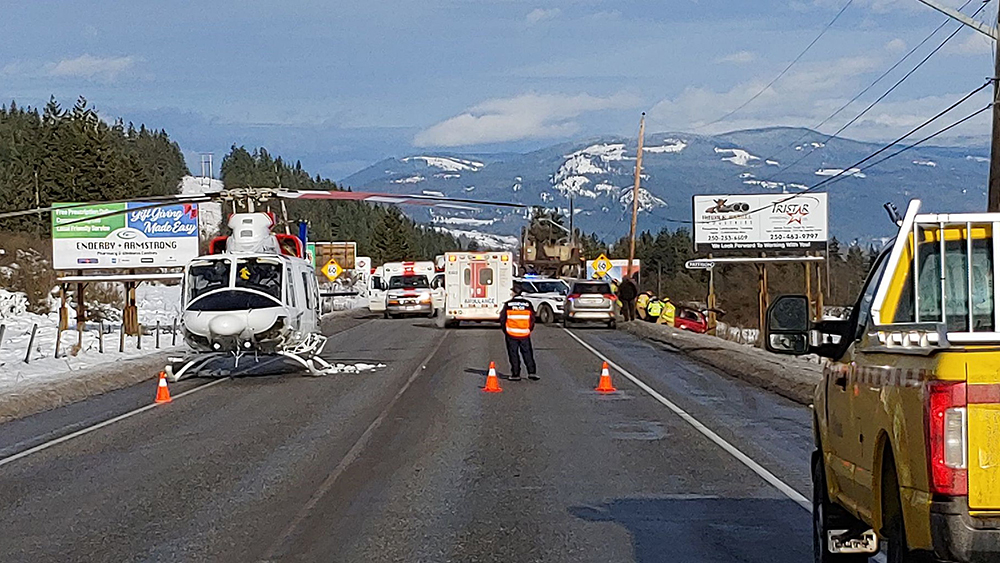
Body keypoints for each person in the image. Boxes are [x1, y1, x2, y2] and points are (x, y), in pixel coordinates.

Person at [499, 285, 537, 381]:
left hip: (511, 333)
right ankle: (532, 372)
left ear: (514, 293)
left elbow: (502, 319)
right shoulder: (528, 304)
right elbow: (532, 318)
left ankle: (516, 374)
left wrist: (506, 330)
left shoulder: (508, 304)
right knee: (527, 353)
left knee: (513, 354)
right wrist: (529, 329)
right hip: (524, 333)